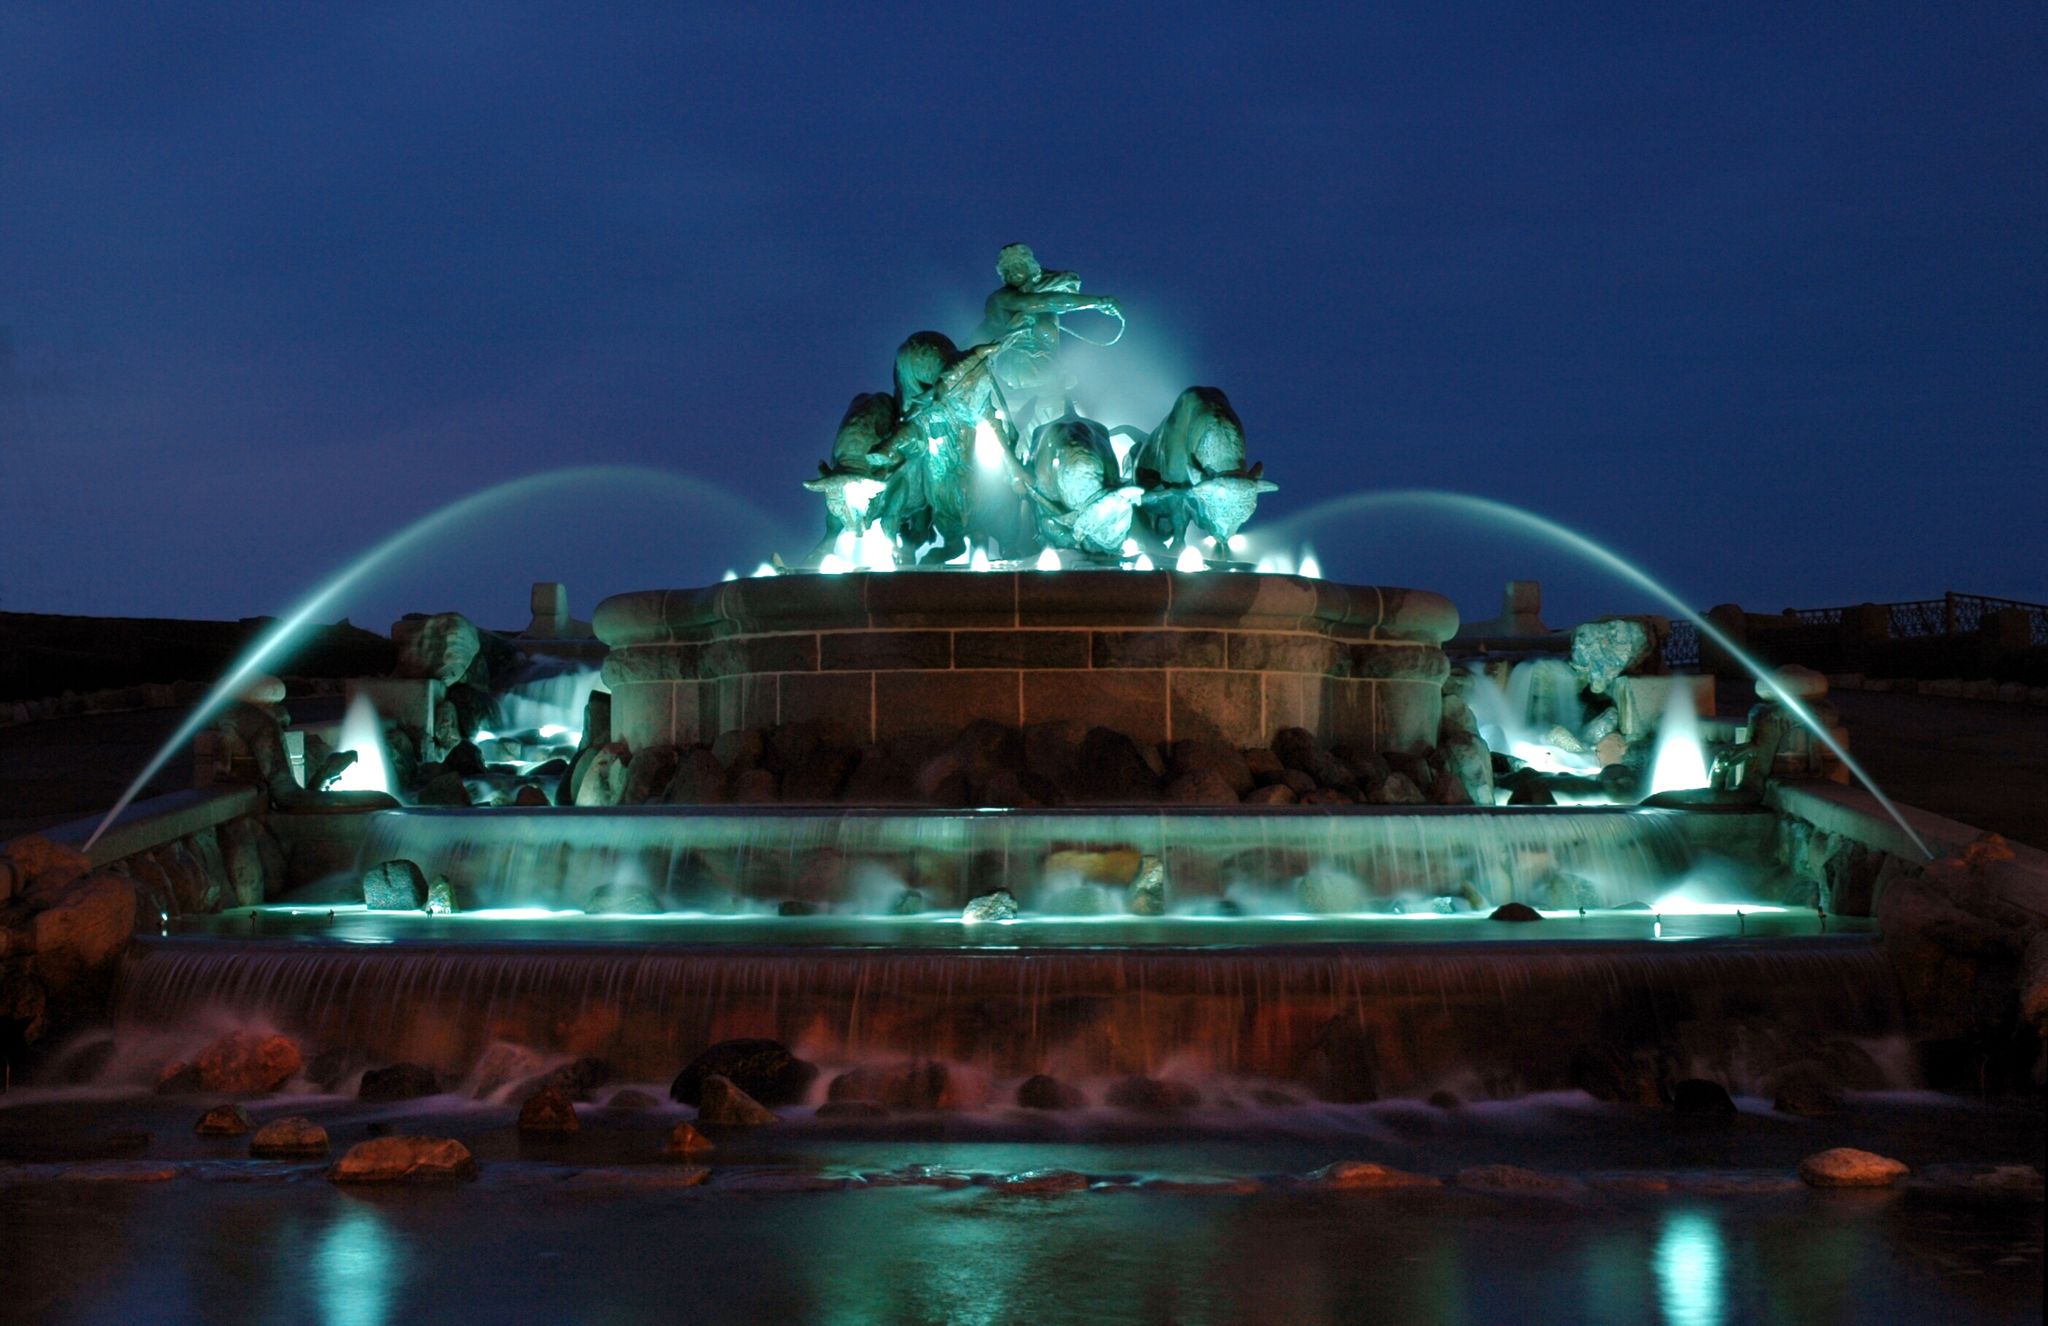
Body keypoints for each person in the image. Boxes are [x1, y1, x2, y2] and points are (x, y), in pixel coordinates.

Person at [971, 244, 1120, 443]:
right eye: (1006, 270)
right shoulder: (1001, 300)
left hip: (1052, 384)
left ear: (1032, 268)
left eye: (1017, 265)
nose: (1011, 272)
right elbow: (1040, 302)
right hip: (1013, 383)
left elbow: (1053, 295)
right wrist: (1098, 302)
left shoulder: (1048, 311)